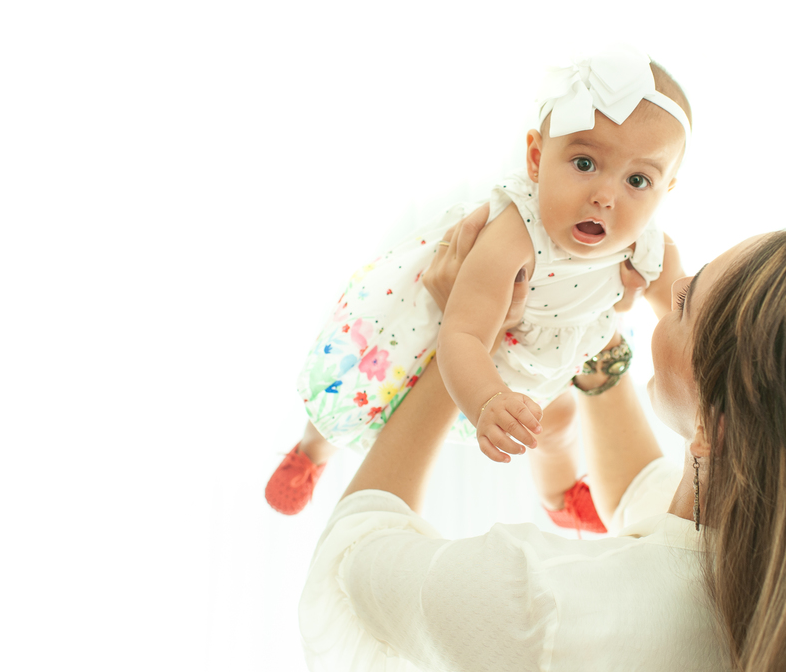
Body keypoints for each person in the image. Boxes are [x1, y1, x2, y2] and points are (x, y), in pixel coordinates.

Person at [297, 212, 786, 672]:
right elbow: (650, 502)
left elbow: (352, 558)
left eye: (685, 300)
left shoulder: (547, 604)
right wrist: (592, 346)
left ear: (719, 426)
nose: (667, 286)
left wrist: (462, 344)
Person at [266, 43, 690, 531]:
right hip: (453, 343)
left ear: (667, 188)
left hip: (550, 361)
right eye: (584, 164)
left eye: (638, 179)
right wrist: (488, 399)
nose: (605, 196)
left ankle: (559, 494)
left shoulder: (649, 246)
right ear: (536, 158)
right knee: (367, 391)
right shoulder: (517, 235)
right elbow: (463, 334)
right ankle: (312, 449)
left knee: (556, 424)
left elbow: (685, 312)